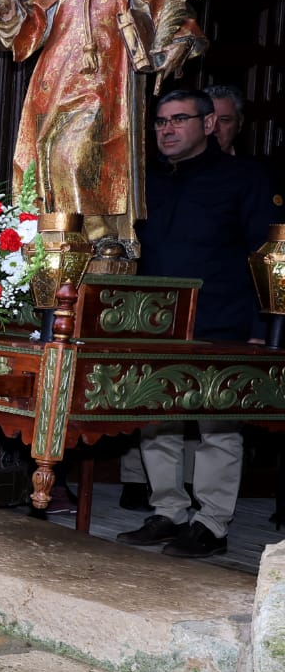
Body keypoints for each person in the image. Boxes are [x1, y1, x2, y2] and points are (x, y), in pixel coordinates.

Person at [0, 0, 205, 265]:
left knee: (81, 154)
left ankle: (100, 234)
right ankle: (56, 230)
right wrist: (8, 9)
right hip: (54, 90)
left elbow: (180, 23)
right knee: (49, 153)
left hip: (105, 90)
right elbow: (30, 24)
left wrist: (176, 46)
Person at [113, 90, 275, 559]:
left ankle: (211, 523)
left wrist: (260, 324)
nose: (167, 129)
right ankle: (168, 510)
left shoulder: (245, 178)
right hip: (154, 320)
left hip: (221, 318)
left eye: (179, 120)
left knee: (218, 426)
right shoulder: (144, 181)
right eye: (161, 122)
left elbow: (265, 255)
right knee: (154, 420)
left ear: (208, 125)